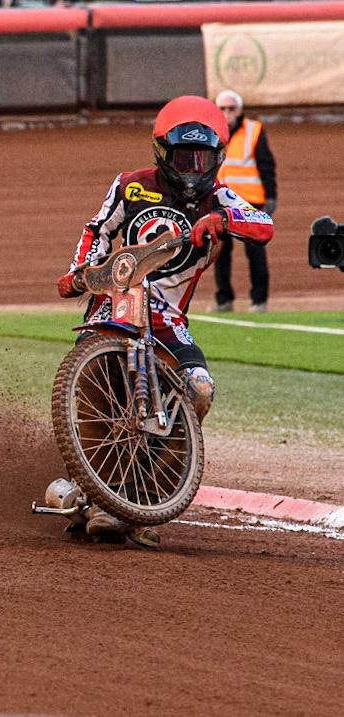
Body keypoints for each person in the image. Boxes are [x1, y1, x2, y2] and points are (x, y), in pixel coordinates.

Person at [50, 94, 273, 548]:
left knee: (199, 390)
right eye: (182, 158)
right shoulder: (130, 186)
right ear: (161, 152)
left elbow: (263, 224)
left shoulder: (220, 196)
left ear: (218, 158)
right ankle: (97, 492)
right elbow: (98, 229)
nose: (192, 168)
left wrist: (222, 217)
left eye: (203, 158)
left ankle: (145, 495)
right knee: (94, 384)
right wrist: (81, 271)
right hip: (113, 309)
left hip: (169, 319)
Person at [211, 89, 277, 313]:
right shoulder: (211, 131)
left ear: (239, 110)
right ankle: (224, 300)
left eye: (232, 108)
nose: (227, 113)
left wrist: (270, 196)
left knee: (255, 252)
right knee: (219, 253)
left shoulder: (254, 130)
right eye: (222, 109)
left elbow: (266, 164)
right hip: (220, 201)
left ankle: (259, 301)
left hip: (250, 201)